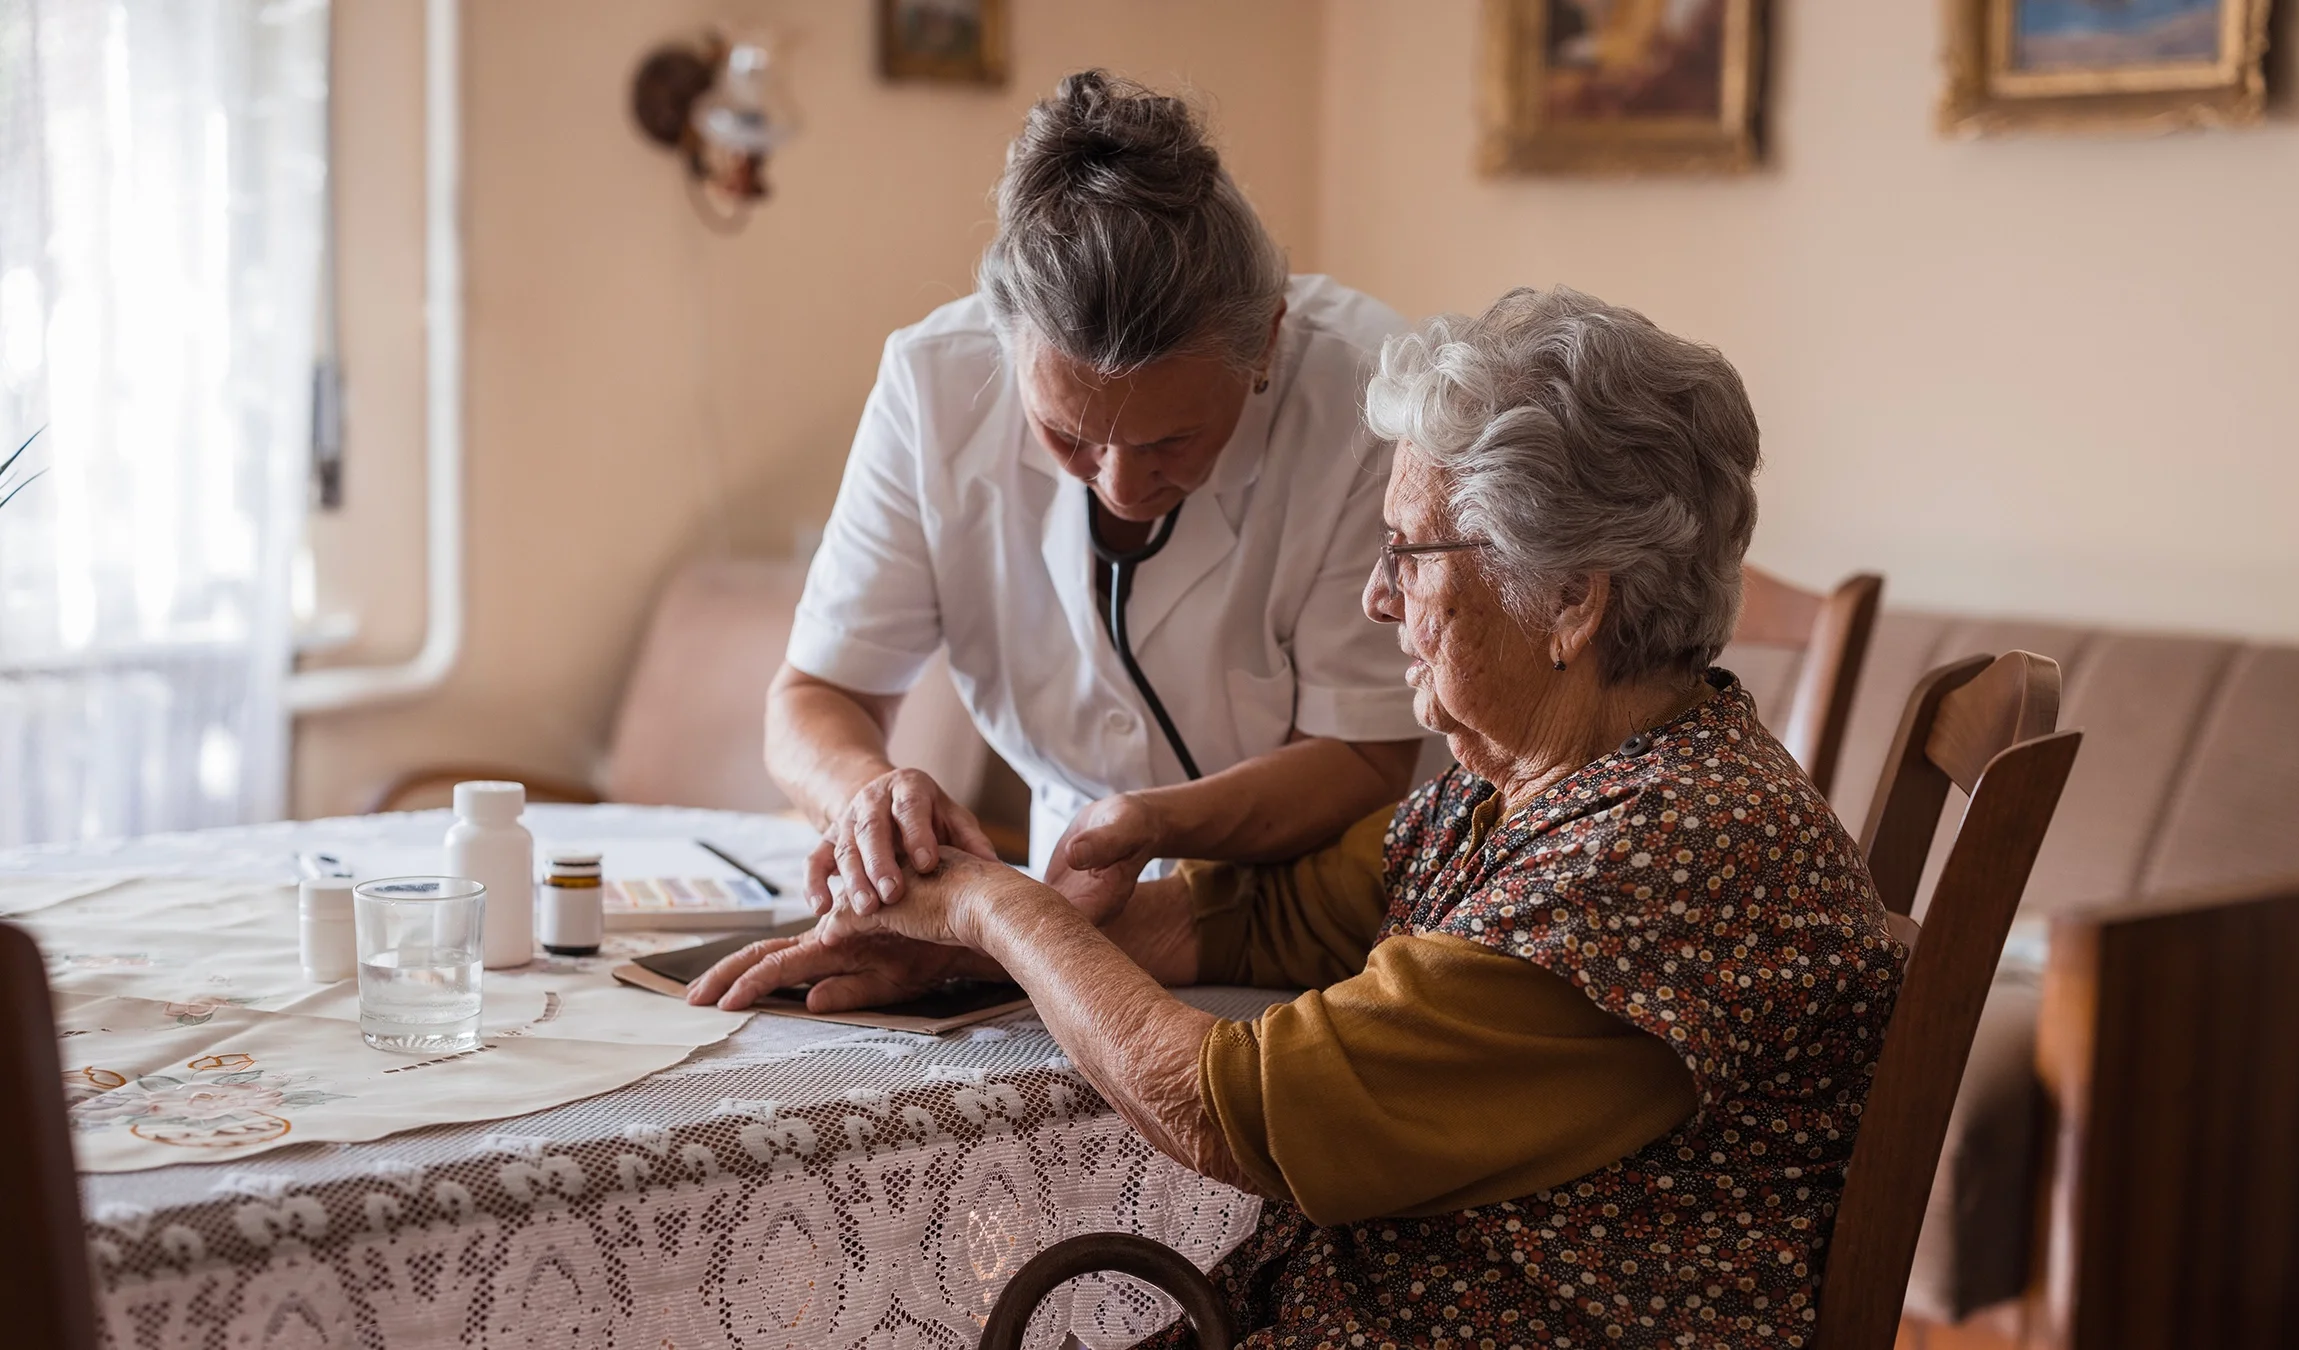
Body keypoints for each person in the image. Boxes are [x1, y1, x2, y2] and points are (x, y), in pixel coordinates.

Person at [692, 287, 1907, 1349]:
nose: (1378, 598)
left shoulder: (1653, 863)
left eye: (1410, 554)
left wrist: (996, 911)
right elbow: (1256, 919)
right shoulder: (1555, 788)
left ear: (1571, 604)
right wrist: (952, 947)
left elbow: (1237, 1109)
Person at [766, 70, 1424, 919]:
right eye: (1069, 433)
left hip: (1308, 902)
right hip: (1062, 890)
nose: (1120, 483)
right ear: (1006, 345)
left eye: (1170, 440)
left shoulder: (1372, 401)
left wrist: (1145, 823)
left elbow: (1364, 756)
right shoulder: (931, 386)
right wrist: (869, 794)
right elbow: (816, 697)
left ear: (1265, 341)